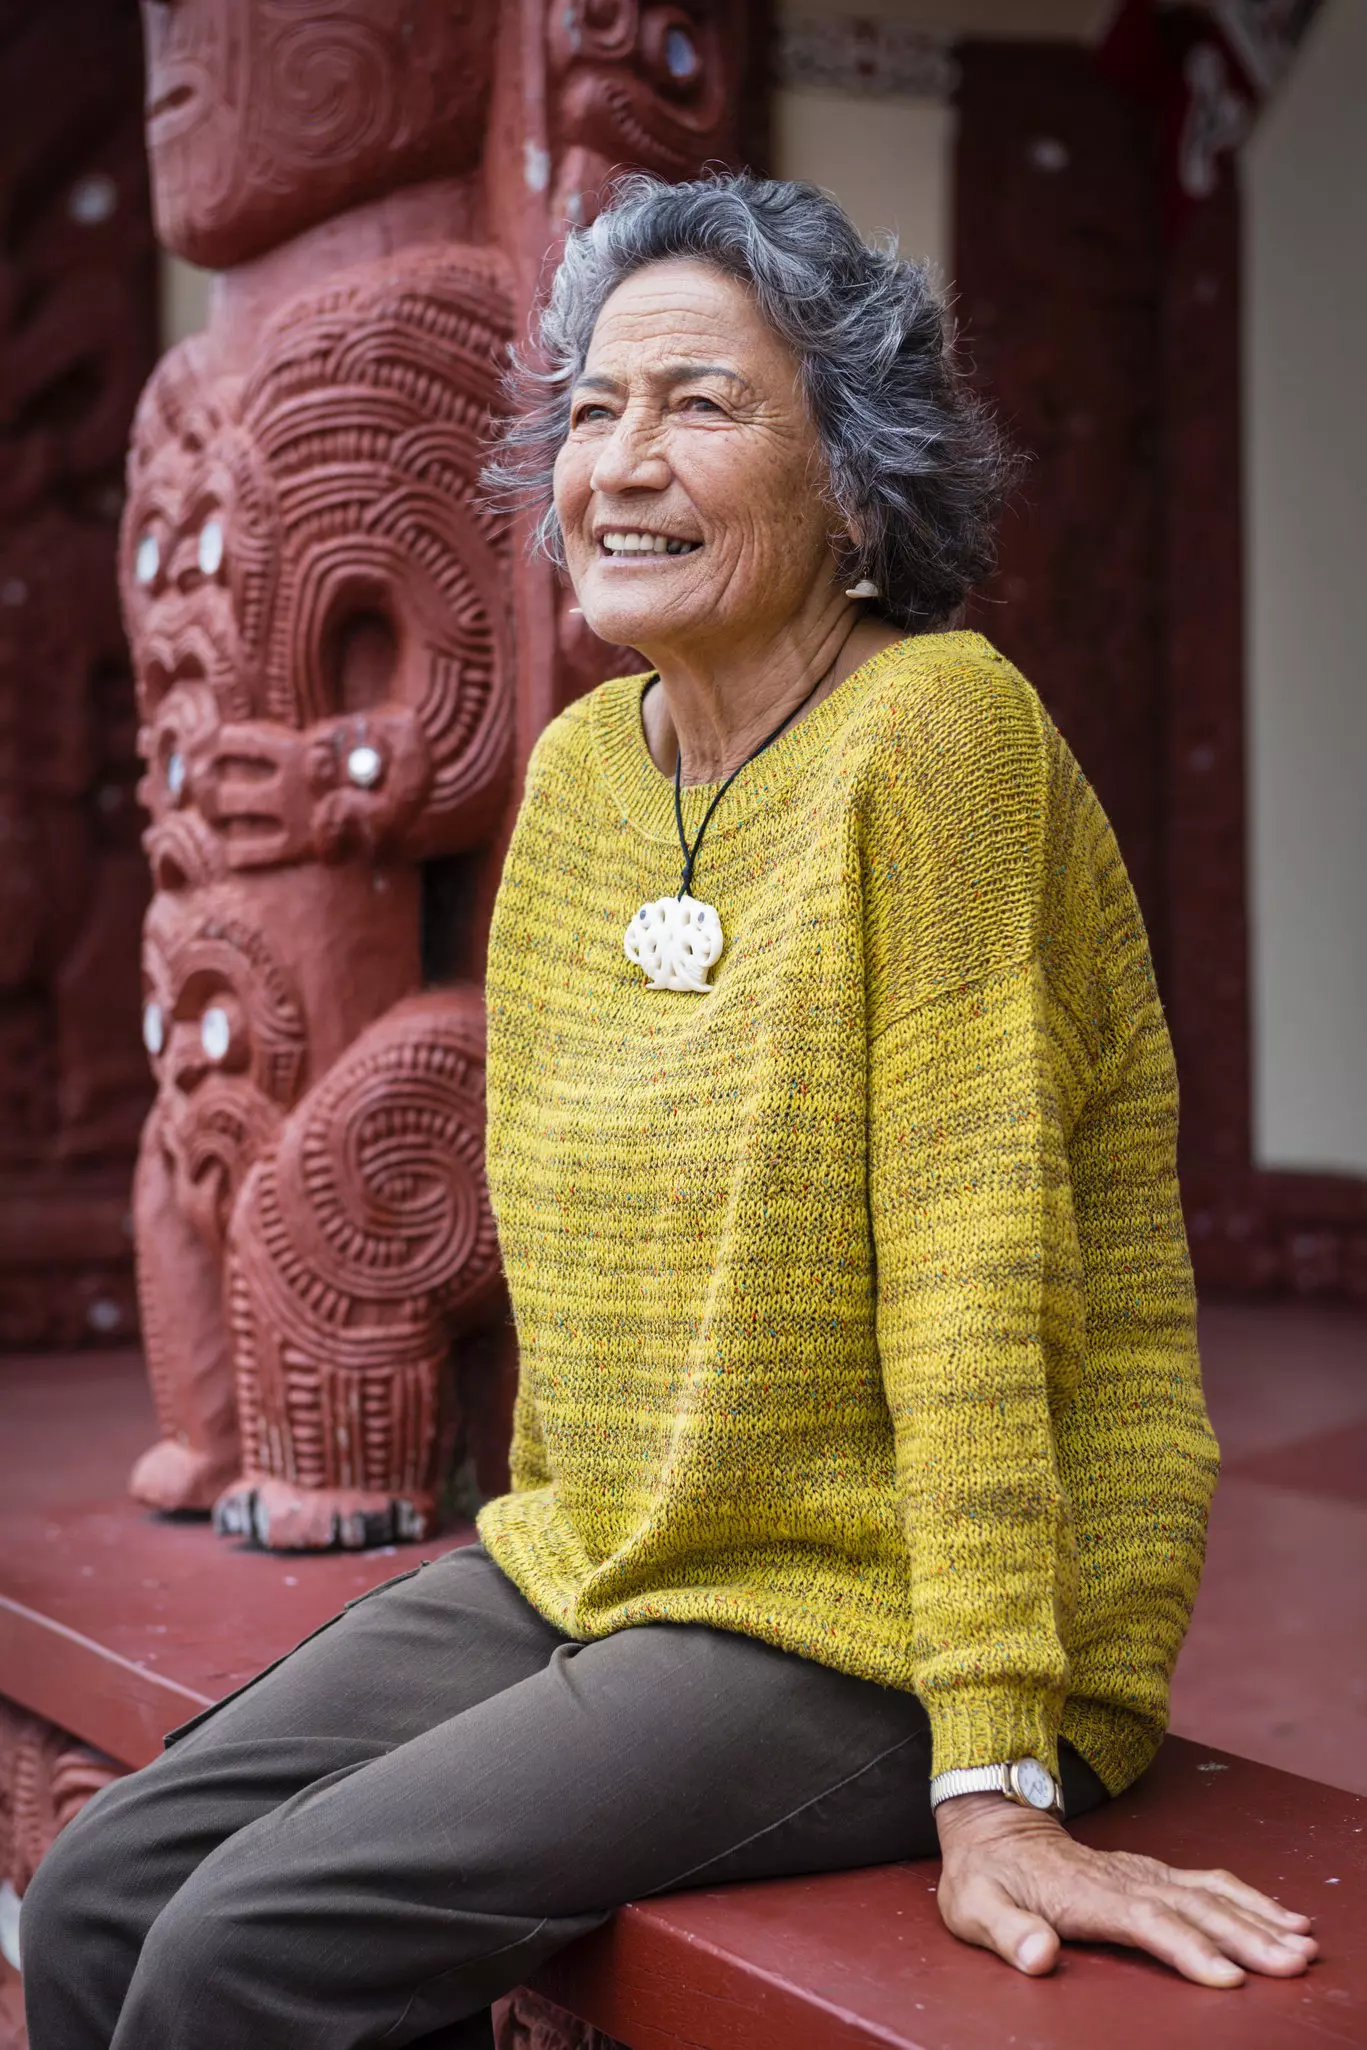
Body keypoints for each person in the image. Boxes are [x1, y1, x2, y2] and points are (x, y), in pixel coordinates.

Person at [22, 173, 1316, 2050]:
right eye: (592, 409)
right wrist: (557, 1571)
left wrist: (995, 1774)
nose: (619, 461)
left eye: (700, 404)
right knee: (99, 1891)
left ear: (854, 481)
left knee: (245, 1951)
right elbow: (563, 1254)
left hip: (890, 1620)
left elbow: (973, 1268)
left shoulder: (936, 736)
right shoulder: (578, 777)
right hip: (623, 1567)